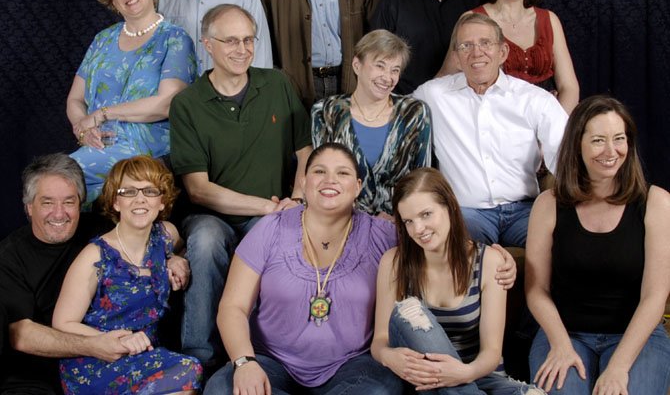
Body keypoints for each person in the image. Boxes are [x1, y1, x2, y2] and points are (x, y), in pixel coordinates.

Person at [169, 4, 312, 372]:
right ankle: (198, 361)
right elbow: (198, 189)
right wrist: (266, 207)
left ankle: (278, 357)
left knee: (289, 235)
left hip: (276, 209)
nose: (242, 49)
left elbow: (305, 151)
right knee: (205, 242)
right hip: (212, 216)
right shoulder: (187, 103)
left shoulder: (276, 83)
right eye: (230, 40)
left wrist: (297, 198)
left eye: (248, 39)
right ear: (207, 45)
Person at [203, 143, 404, 394]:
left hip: (352, 365)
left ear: (358, 186)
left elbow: (439, 244)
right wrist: (245, 363)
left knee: (379, 390)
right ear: (304, 181)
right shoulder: (270, 228)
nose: (330, 180)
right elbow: (233, 306)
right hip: (272, 362)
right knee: (221, 389)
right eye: (320, 171)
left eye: (343, 173)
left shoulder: (381, 235)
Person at [0, 153, 189, 393]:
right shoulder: (10, 257)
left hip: (122, 354)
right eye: (47, 203)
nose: (59, 214)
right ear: (29, 207)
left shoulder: (100, 227)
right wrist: (95, 344)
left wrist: (174, 258)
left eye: (69, 202)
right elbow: (21, 334)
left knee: (185, 372)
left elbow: (148, 234)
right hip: (36, 371)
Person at [525, 95, 670, 394]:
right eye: (598, 140)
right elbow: (536, 290)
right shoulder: (548, 204)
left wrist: (618, 367)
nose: (611, 151)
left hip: (635, 335)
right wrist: (561, 344)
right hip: (565, 332)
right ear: (577, 145)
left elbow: (656, 296)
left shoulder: (657, 202)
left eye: (619, 139)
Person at [372, 167, 543, 394]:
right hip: (425, 381)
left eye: (426, 214)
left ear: (451, 207)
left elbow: (491, 354)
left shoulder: (489, 262)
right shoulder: (393, 262)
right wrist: (388, 356)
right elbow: (380, 340)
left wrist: (463, 374)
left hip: (478, 375)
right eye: (408, 221)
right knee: (410, 313)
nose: (418, 229)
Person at [413, 12, 568, 247]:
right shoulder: (433, 95)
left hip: (525, 210)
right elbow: (389, 114)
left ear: (502, 52)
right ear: (456, 56)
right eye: (466, 46)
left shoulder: (534, 99)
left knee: (559, 244)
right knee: (456, 250)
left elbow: (565, 154)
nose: (477, 53)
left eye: (485, 43)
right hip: (467, 213)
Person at [53, 155, 202, 394]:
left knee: (186, 373)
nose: (140, 199)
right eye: (128, 191)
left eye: (150, 191)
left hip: (143, 356)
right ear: (115, 201)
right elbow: (61, 323)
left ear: (162, 201)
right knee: (186, 370)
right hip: (97, 360)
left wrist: (177, 258)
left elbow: (179, 247)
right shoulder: (95, 256)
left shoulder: (165, 235)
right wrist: (118, 339)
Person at [67, 0, 197, 204]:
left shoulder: (174, 38)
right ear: (111, 0)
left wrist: (102, 114)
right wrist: (82, 130)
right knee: (77, 197)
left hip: (146, 150)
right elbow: (75, 99)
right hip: (99, 148)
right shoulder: (102, 40)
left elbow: (167, 103)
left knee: (60, 179)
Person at [439, 0, 579, 113]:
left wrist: (555, 129)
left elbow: (569, 87)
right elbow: (445, 80)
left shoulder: (550, 20)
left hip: (548, 121)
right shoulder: (472, 19)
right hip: (495, 123)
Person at [312, 29, 431, 218]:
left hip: (399, 223)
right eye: (380, 66)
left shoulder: (414, 113)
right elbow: (322, 179)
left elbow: (422, 181)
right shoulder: (326, 111)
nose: (387, 77)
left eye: (395, 70)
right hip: (343, 220)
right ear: (357, 65)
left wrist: (399, 220)